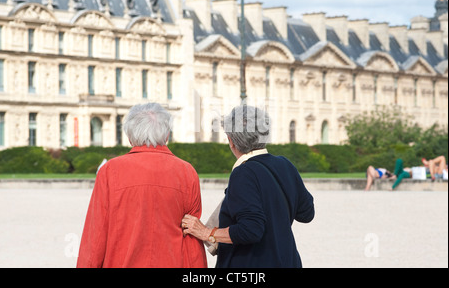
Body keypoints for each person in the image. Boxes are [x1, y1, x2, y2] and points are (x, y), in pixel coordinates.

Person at [181, 105, 315, 268]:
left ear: (231, 141)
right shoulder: (284, 164)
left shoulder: (243, 173)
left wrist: (207, 233)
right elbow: (306, 213)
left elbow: (250, 230)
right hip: (288, 259)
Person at [77, 103, 207, 268]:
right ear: (167, 135)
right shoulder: (187, 172)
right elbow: (191, 237)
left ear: (130, 137)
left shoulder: (110, 171)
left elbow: (95, 236)